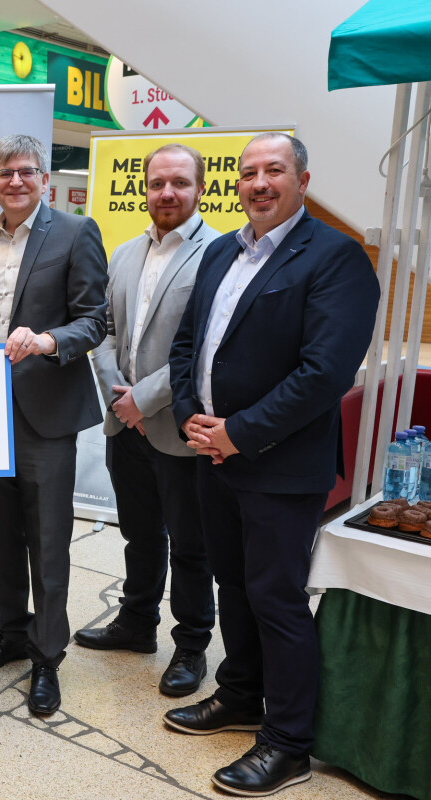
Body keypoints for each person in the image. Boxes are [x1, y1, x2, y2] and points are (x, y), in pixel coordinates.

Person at [165, 133, 379, 796]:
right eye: (249, 172)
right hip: (214, 457)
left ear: (303, 179)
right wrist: (188, 417)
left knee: (277, 599)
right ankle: (240, 693)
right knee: (234, 584)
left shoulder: (338, 258)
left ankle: (288, 743)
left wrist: (239, 432)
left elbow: (324, 374)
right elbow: (186, 345)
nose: (259, 182)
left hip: (281, 467)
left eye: (274, 171)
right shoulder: (222, 252)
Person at [0, 134, 107, 716]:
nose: (15, 181)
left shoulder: (74, 232)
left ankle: (48, 657)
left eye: (25, 171)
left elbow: (96, 320)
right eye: (3, 172)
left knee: (47, 541)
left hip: (45, 412)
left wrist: (48, 341)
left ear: (44, 178)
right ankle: (13, 633)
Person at [76, 144, 219, 698]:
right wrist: (120, 400)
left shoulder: (217, 254)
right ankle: (137, 624)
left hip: (177, 425)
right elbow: (106, 330)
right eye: (157, 183)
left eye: (179, 183)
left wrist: (145, 399)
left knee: (189, 543)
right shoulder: (125, 253)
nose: (167, 193)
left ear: (200, 189)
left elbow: (204, 346)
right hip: (125, 423)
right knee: (138, 533)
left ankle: (191, 645)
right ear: (145, 189)